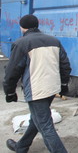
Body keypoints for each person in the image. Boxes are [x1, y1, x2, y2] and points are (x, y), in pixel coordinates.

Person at [3, 14, 71, 153]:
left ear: (22, 27)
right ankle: (21, 146)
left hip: (36, 90)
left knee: (46, 127)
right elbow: (65, 65)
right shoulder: (54, 41)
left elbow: (12, 71)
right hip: (52, 88)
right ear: (37, 25)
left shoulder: (21, 43)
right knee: (38, 119)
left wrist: (10, 92)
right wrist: (63, 85)